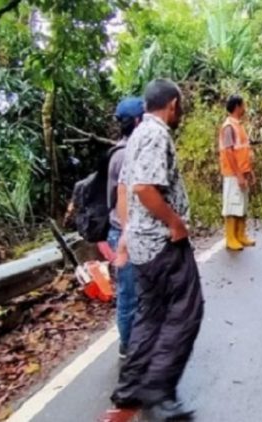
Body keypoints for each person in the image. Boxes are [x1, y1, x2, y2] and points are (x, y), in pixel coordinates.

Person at [110, 79, 203, 421]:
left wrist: (127, 235)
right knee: (186, 311)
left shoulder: (136, 135)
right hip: (162, 243)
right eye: (181, 105)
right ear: (173, 104)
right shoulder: (155, 134)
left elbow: (127, 189)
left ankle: (131, 388)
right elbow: (145, 188)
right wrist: (175, 223)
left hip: (143, 244)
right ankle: (159, 392)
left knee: (149, 315)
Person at [107, 97, 144, 359]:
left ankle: (135, 343)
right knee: (129, 293)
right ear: (139, 122)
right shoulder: (126, 155)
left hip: (127, 230)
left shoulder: (120, 150)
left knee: (136, 291)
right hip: (124, 232)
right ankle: (128, 347)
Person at [219, 94, 256, 250]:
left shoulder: (238, 125)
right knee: (232, 205)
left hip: (243, 172)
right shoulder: (228, 127)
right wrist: (239, 174)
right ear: (237, 107)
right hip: (233, 174)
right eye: (243, 105)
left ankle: (240, 234)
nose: (245, 108)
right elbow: (229, 152)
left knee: (242, 205)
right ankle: (230, 237)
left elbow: (243, 151)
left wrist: (249, 171)